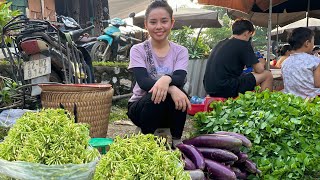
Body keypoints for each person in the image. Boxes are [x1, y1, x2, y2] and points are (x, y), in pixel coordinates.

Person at [126, 0, 191, 147]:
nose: (159, 26)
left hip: (168, 114)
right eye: (153, 22)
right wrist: (170, 86)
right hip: (140, 109)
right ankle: (146, 143)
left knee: (181, 94)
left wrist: (167, 80)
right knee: (157, 95)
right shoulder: (138, 49)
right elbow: (143, 82)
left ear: (172, 23)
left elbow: (180, 78)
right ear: (146, 25)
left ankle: (176, 141)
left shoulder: (180, 51)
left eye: (164, 21)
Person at [203, 19, 273, 98]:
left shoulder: (220, 43)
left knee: (247, 76)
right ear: (247, 33)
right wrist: (262, 62)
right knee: (267, 75)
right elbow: (259, 70)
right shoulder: (243, 44)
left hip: (209, 87)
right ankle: (264, 105)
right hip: (225, 87)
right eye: (250, 35)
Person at [282, 27, 320, 98]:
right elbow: (318, 84)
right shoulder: (315, 61)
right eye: (313, 42)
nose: (313, 45)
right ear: (307, 43)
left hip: (293, 101)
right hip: (313, 101)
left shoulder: (285, 62)